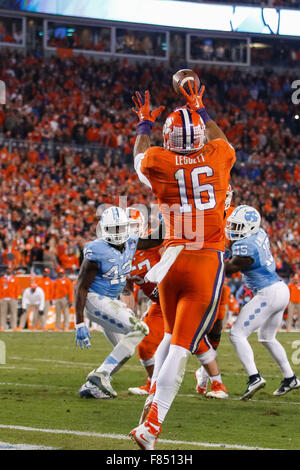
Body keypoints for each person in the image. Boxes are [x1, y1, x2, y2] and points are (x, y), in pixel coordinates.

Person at [129, 80, 236, 449]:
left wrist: (143, 124)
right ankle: (152, 427)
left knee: (172, 339)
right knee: (180, 347)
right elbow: (226, 143)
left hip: (171, 260)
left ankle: (148, 406)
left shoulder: (158, 158)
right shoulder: (218, 155)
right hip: (205, 259)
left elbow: (138, 160)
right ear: (200, 134)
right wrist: (201, 108)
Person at [75, 206, 163, 399]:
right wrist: (80, 322)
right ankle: (101, 375)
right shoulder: (96, 250)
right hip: (96, 300)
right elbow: (81, 287)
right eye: (113, 229)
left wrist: (167, 219)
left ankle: (93, 386)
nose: (117, 233)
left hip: (109, 302)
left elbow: (157, 239)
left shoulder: (131, 242)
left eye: (120, 228)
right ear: (103, 230)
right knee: (140, 330)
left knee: (125, 348)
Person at [225, 204, 300, 400]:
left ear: (249, 227)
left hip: (268, 293)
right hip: (279, 288)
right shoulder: (259, 232)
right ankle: (290, 378)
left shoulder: (246, 247)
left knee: (237, 334)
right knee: (267, 337)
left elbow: (230, 268)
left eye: (238, 227)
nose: (233, 230)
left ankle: (254, 377)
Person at [53, 267, 73, 331]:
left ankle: (66, 326)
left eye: (62, 273)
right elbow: (53, 290)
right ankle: (57, 326)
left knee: (66, 313)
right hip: (57, 298)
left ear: (63, 273)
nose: (61, 274)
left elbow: (70, 291)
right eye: (60, 273)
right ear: (58, 273)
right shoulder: (56, 281)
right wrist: (53, 298)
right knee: (58, 313)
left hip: (65, 298)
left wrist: (70, 300)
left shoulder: (67, 281)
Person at [0, 266, 20, 330]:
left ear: (12, 271)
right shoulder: (2, 279)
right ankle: (2, 326)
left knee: (14, 313)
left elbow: (18, 289)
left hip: (13, 298)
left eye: (10, 269)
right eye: (8, 269)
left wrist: (18, 297)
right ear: (6, 270)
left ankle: (14, 326)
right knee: (3, 313)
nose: (9, 270)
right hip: (3, 298)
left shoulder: (15, 279)